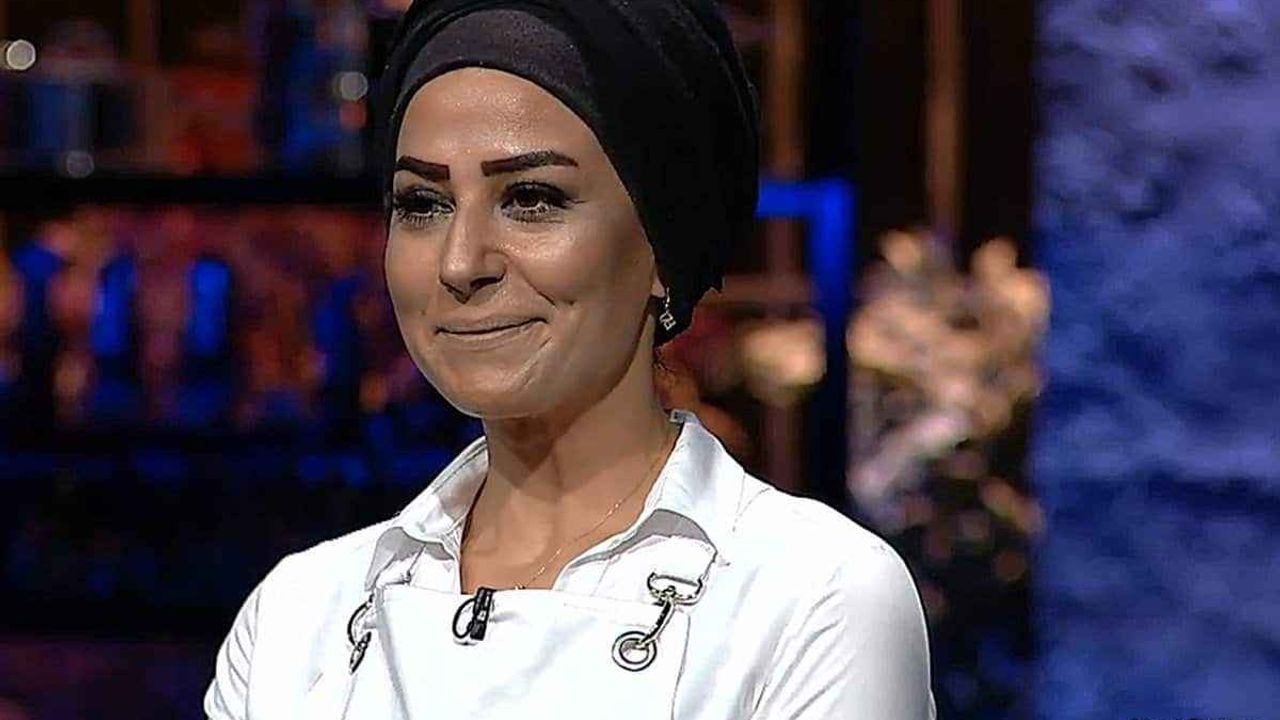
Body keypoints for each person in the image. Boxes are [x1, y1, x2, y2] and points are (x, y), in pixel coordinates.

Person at [204, 1, 936, 717]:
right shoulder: (298, 619)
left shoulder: (810, 598)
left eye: (532, 198)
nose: (460, 263)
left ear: (662, 246)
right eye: (423, 204)